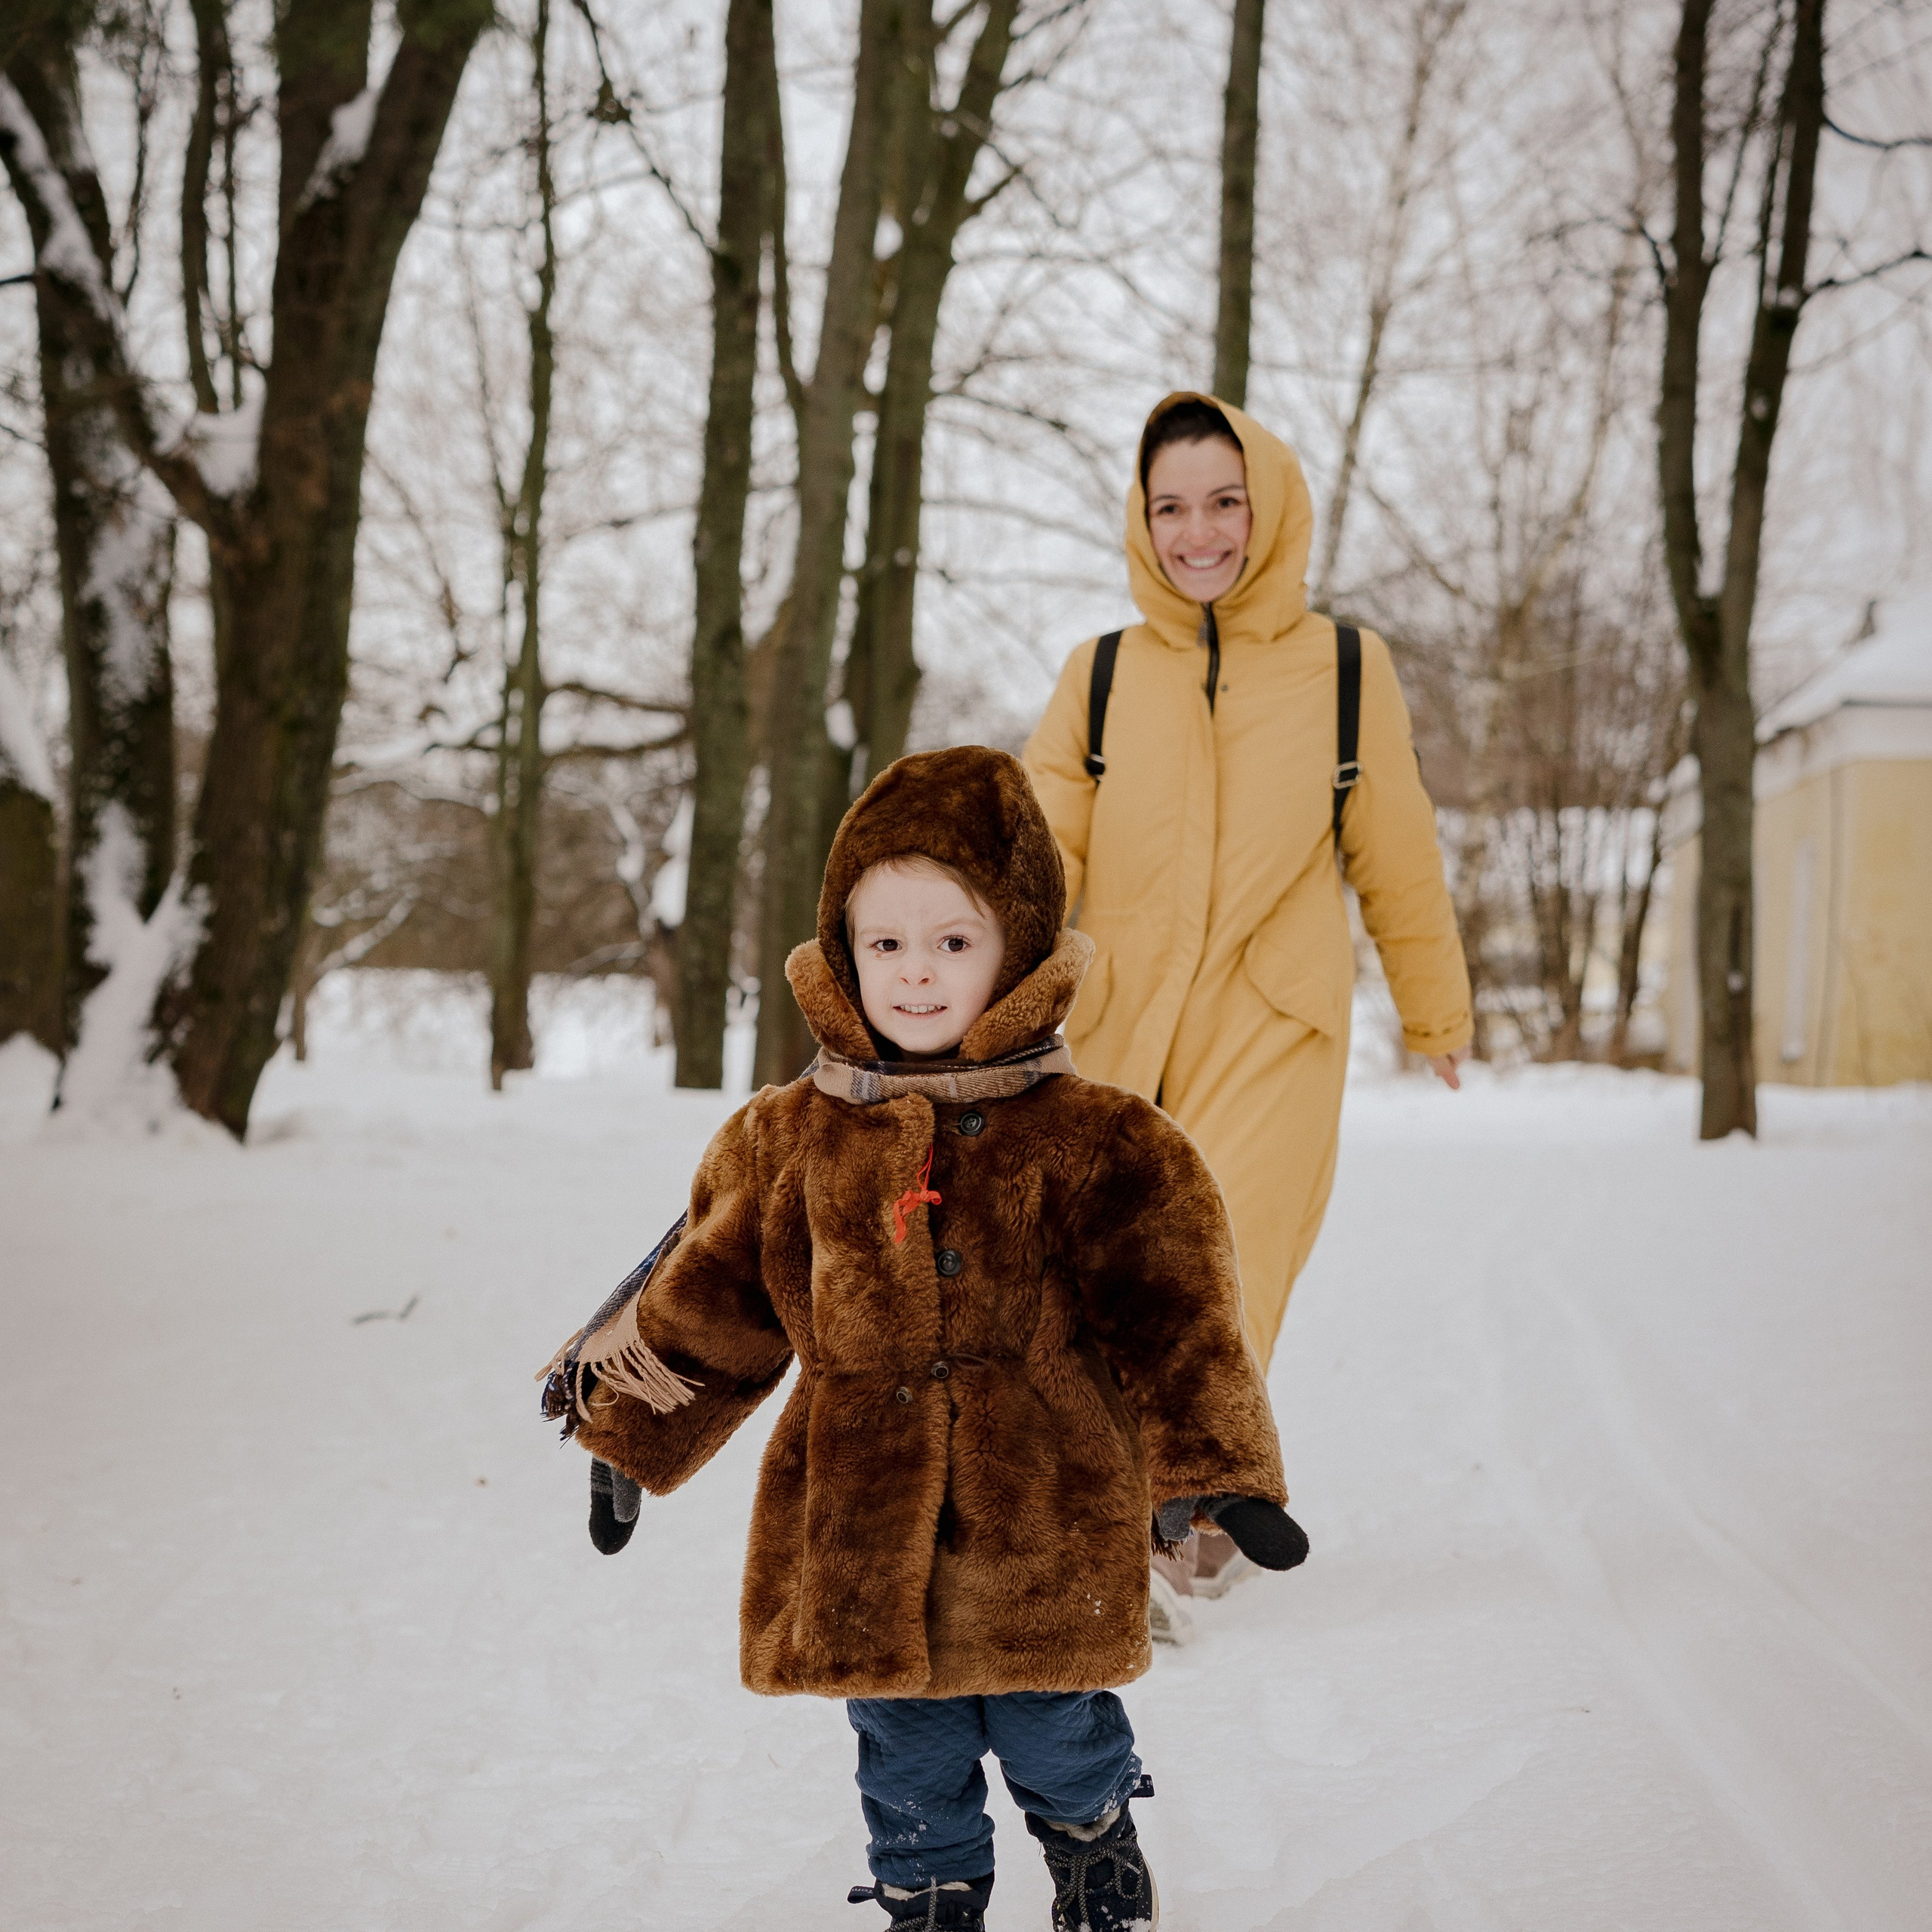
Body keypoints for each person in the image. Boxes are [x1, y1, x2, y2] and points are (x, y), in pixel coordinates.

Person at [543, 746, 1307, 1932]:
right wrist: (629, 1427)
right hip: (860, 1521)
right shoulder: (790, 1137)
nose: (914, 974)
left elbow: (1178, 1320)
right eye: (885, 943)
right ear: (844, 947)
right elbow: (719, 1298)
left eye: (953, 941)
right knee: (905, 1753)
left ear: (1020, 945)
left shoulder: (1104, 1139)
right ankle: (930, 1894)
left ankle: (1095, 1840)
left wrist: (1211, 1473)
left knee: (1054, 1727)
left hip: (1045, 1511)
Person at [1024, 394, 1471, 1629]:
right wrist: (951, 964)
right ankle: (1143, 1513)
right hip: (1122, 1023)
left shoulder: (1343, 668)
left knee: (1219, 1263)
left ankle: (1174, 1508)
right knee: (1098, 1274)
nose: (1199, 531)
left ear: (1268, 509)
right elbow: (1036, 844)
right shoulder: (1100, 674)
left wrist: (1434, 1007)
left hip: (1275, 1023)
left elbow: (1396, 845)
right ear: (1142, 518)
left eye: (1226, 501)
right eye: (1171, 506)